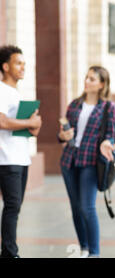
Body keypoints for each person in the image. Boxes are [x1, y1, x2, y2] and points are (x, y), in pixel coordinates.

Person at [58, 66, 115, 258]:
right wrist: (63, 135)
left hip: (91, 162)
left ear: (101, 84)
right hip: (69, 160)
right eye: (87, 77)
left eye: (92, 79)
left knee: (87, 206)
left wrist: (107, 144)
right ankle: (83, 247)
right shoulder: (74, 105)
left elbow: (109, 134)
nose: (87, 81)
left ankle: (94, 252)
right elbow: (62, 136)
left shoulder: (108, 107)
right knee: (75, 206)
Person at [0, 45, 42, 258]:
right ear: (5, 66)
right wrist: (28, 121)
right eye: (18, 63)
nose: (23, 67)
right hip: (6, 159)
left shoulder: (16, 93)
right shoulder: (1, 90)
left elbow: (29, 129)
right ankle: (9, 252)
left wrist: (34, 124)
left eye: (24, 64)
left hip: (21, 158)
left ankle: (8, 250)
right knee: (12, 206)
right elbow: (2, 121)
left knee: (14, 207)